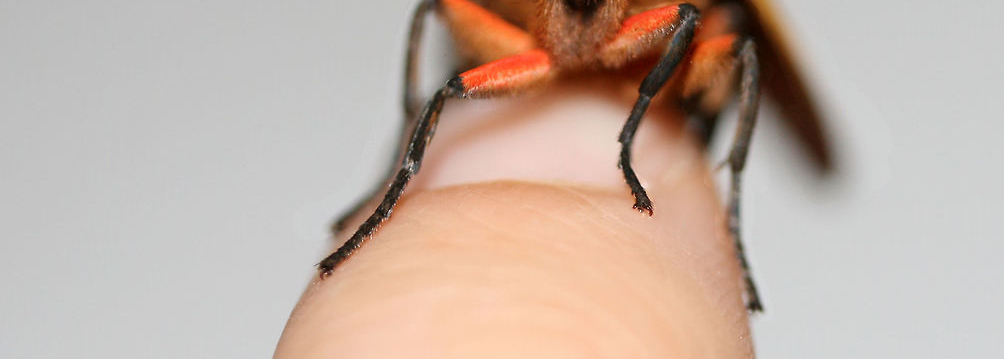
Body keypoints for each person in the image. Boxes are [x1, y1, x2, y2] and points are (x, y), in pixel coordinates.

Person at [275, 87, 756, 357]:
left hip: (649, 59)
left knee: (726, 37)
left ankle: (725, 203)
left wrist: (626, 145)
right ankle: (389, 190)